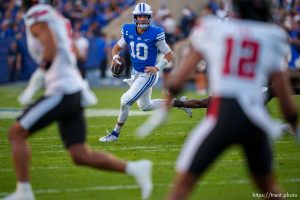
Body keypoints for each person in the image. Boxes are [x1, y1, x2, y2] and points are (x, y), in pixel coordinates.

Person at [140, 0, 299, 199]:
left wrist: (166, 107)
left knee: (181, 186)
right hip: (256, 120)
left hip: (224, 115)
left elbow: (177, 80)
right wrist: (294, 127)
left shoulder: (212, 28)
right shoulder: (273, 36)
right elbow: (286, 101)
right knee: (268, 186)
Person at [4, 1, 152, 200]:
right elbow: (75, 49)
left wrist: (36, 81)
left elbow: (51, 47)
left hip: (62, 90)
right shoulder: (55, 17)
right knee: (80, 155)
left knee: (16, 133)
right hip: (73, 88)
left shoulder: (37, 15)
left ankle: (24, 192)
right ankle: (135, 168)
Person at [99, 2, 191, 142]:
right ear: (134, 17)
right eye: (140, 16)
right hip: (135, 73)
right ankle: (179, 103)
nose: (142, 19)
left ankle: (114, 134)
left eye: (145, 16)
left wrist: (157, 67)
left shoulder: (156, 32)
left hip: (148, 74)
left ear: (150, 17)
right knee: (145, 106)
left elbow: (169, 55)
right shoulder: (128, 30)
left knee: (125, 101)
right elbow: (116, 48)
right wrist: (115, 58)